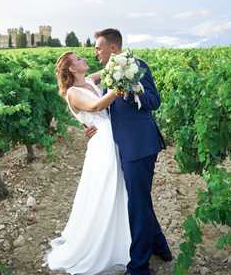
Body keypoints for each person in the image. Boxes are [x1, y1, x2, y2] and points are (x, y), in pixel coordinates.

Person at [84, 29, 172, 275]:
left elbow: (154, 101)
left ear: (113, 48)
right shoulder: (107, 74)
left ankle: (139, 267)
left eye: (98, 47)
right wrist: (94, 129)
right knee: (140, 200)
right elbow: (105, 110)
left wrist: (132, 92)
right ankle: (161, 247)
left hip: (140, 146)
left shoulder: (137, 66)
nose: (95, 52)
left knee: (138, 204)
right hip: (120, 146)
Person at [42, 51, 132, 274]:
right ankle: (106, 243)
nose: (84, 59)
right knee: (107, 189)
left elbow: (109, 69)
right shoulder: (72, 92)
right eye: (79, 59)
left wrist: (124, 63)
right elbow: (95, 107)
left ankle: (126, 236)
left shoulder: (90, 80)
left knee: (119, 188)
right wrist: (118, 89)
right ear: (72, 69)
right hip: (102, 143)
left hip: (113, 137)